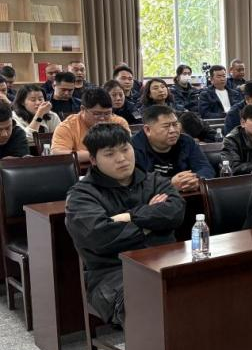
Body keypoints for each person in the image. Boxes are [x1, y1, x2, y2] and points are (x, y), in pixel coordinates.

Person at [65, 123, 185, 326]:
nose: (121, 158)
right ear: (93, 160)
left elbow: (175, 212)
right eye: (110, 154)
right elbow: (100, 237)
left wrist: (127, 217)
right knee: (151, 300)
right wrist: (151, 223)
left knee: (210, 285)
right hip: (112, 275)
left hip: (166, 261)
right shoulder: (81, 195)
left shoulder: (154, 181)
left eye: (125, 149)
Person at [132, 105, 214, 191]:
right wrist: (169, 184)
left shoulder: (186, 141)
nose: (173, 130)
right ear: (148, 130)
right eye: (166, 126)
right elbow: (136, 184)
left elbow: (206, 168)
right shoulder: (133, 148)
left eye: (175, 124)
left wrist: (196, 179)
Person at [51, 88, 131, 163]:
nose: (102, 118)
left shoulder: (118, 123)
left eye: (107, 113)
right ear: (82, 109)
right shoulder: (67, 126)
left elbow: (128, 148)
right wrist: (99, 155)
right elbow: (58, 153)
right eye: (97, 114)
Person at [12, 84, 60, 148]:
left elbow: (60, 137)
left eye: (40, 99)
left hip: (49, 150)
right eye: (33, 100)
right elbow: (26, 139)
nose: (38, 103)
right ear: (22, 102)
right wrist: (39, 115)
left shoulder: (52, 116)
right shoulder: (14, 116)